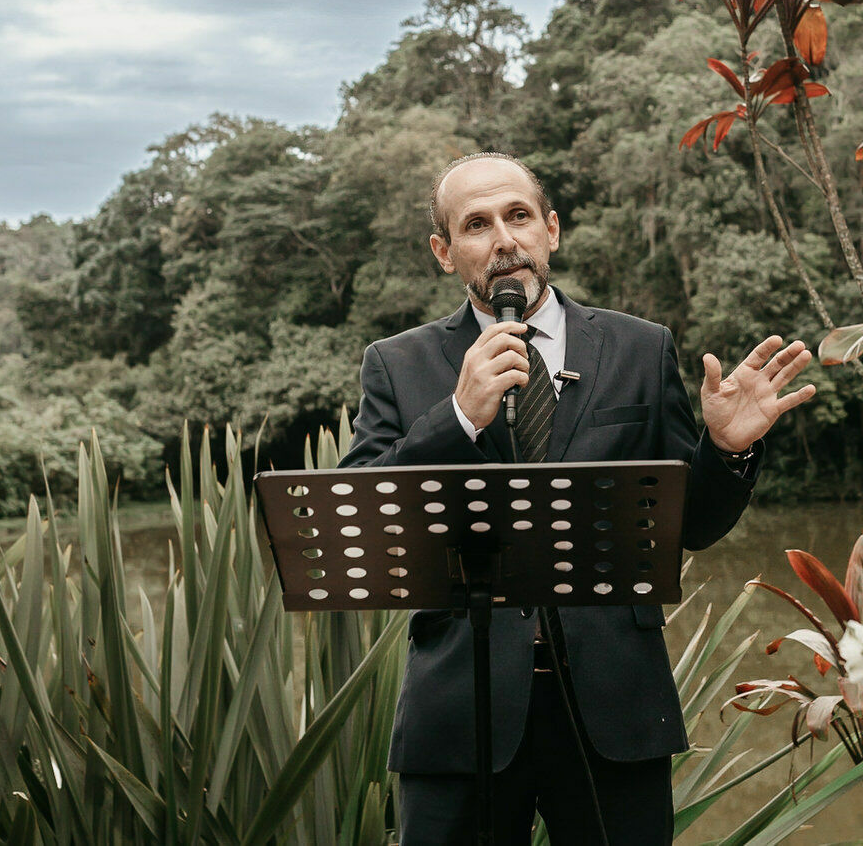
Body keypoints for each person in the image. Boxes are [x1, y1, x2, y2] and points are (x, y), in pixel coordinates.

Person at [341, 152, 815, 845]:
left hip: (616, 707)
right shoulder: (396, 363)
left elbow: (693, 525)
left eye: (518, 216)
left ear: (551, 230)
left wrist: (726, 449)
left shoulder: (640, 349)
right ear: (445, 252)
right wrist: (460, 416)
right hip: (458, 711)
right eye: (476, 223)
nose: (503, 239)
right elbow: (364, 517)